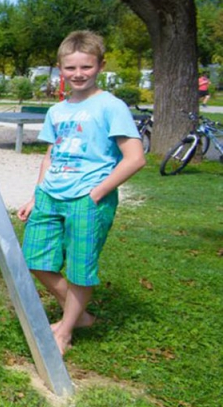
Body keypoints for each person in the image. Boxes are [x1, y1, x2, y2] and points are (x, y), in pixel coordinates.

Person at [16, 31, 145, 355]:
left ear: (100, 65)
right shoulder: (57, 111)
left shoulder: (111, 106)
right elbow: (51, 156)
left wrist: (96, 194)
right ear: (60, 68)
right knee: (33, 258)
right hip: (50, 195)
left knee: (79, 269)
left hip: (87, 200)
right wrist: (36, 195)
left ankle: (65, 331)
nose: (78, 74)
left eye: (86, 67)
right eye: (70, 68)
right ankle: (80, 314)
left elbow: (135, 158)